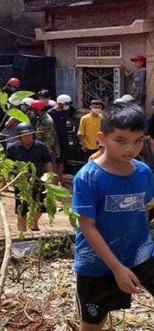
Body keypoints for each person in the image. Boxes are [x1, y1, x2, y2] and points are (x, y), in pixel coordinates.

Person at [71, 102, 154, 330]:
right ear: (102, 137)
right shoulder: (88, 178)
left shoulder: (144, 172)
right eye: (121, 140)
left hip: (141, 254)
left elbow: (143, 209)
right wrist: (117, 268)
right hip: (96, 264)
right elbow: (88, 227)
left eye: (137, 141)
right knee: (93, 322)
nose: (130, 149)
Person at [7, 123, 54, 233]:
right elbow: (7, 166)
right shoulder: (12, 148)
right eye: (25, 135)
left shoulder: (40, 147)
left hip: (39, 181)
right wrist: (4, 181)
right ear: (19, 136)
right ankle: (22, 231)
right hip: (21, 183)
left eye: (30, 135)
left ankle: (33, 222)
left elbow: (47, 163)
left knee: (41, 205)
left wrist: (50, 179)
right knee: (21, 209)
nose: (28, 137)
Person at [29, 100, 60, 181]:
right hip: (42, 150)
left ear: (37, 110)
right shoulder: (40, 119)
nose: (32, 112)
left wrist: (46, 154)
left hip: (48, 151)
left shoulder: (46, 121)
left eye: (33, 110)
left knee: (50, 174)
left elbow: (50, 139)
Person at [47, 94, 73, 178]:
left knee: (61, 160)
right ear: (60, 103)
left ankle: (60, 179)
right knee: (53, 161)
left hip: (63, 139)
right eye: (66, 104)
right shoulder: (50, 113)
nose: (67, 106)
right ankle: (54, 180)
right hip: (54, 140)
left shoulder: (66, 111)